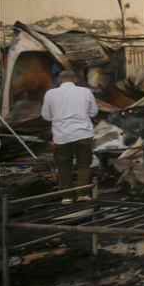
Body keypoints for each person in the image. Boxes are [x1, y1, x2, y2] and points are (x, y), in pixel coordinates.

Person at [42, 70, 98, 204]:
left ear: (59, 81)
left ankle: (67, 196)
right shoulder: (85, 92)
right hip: (83, 133)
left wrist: (58, 118)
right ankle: (82, 193)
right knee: (83, 164)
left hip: (61, 135)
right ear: (75, 80)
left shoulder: (50, 94)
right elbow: (93, 112)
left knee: (63, 165)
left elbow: (46, 116)